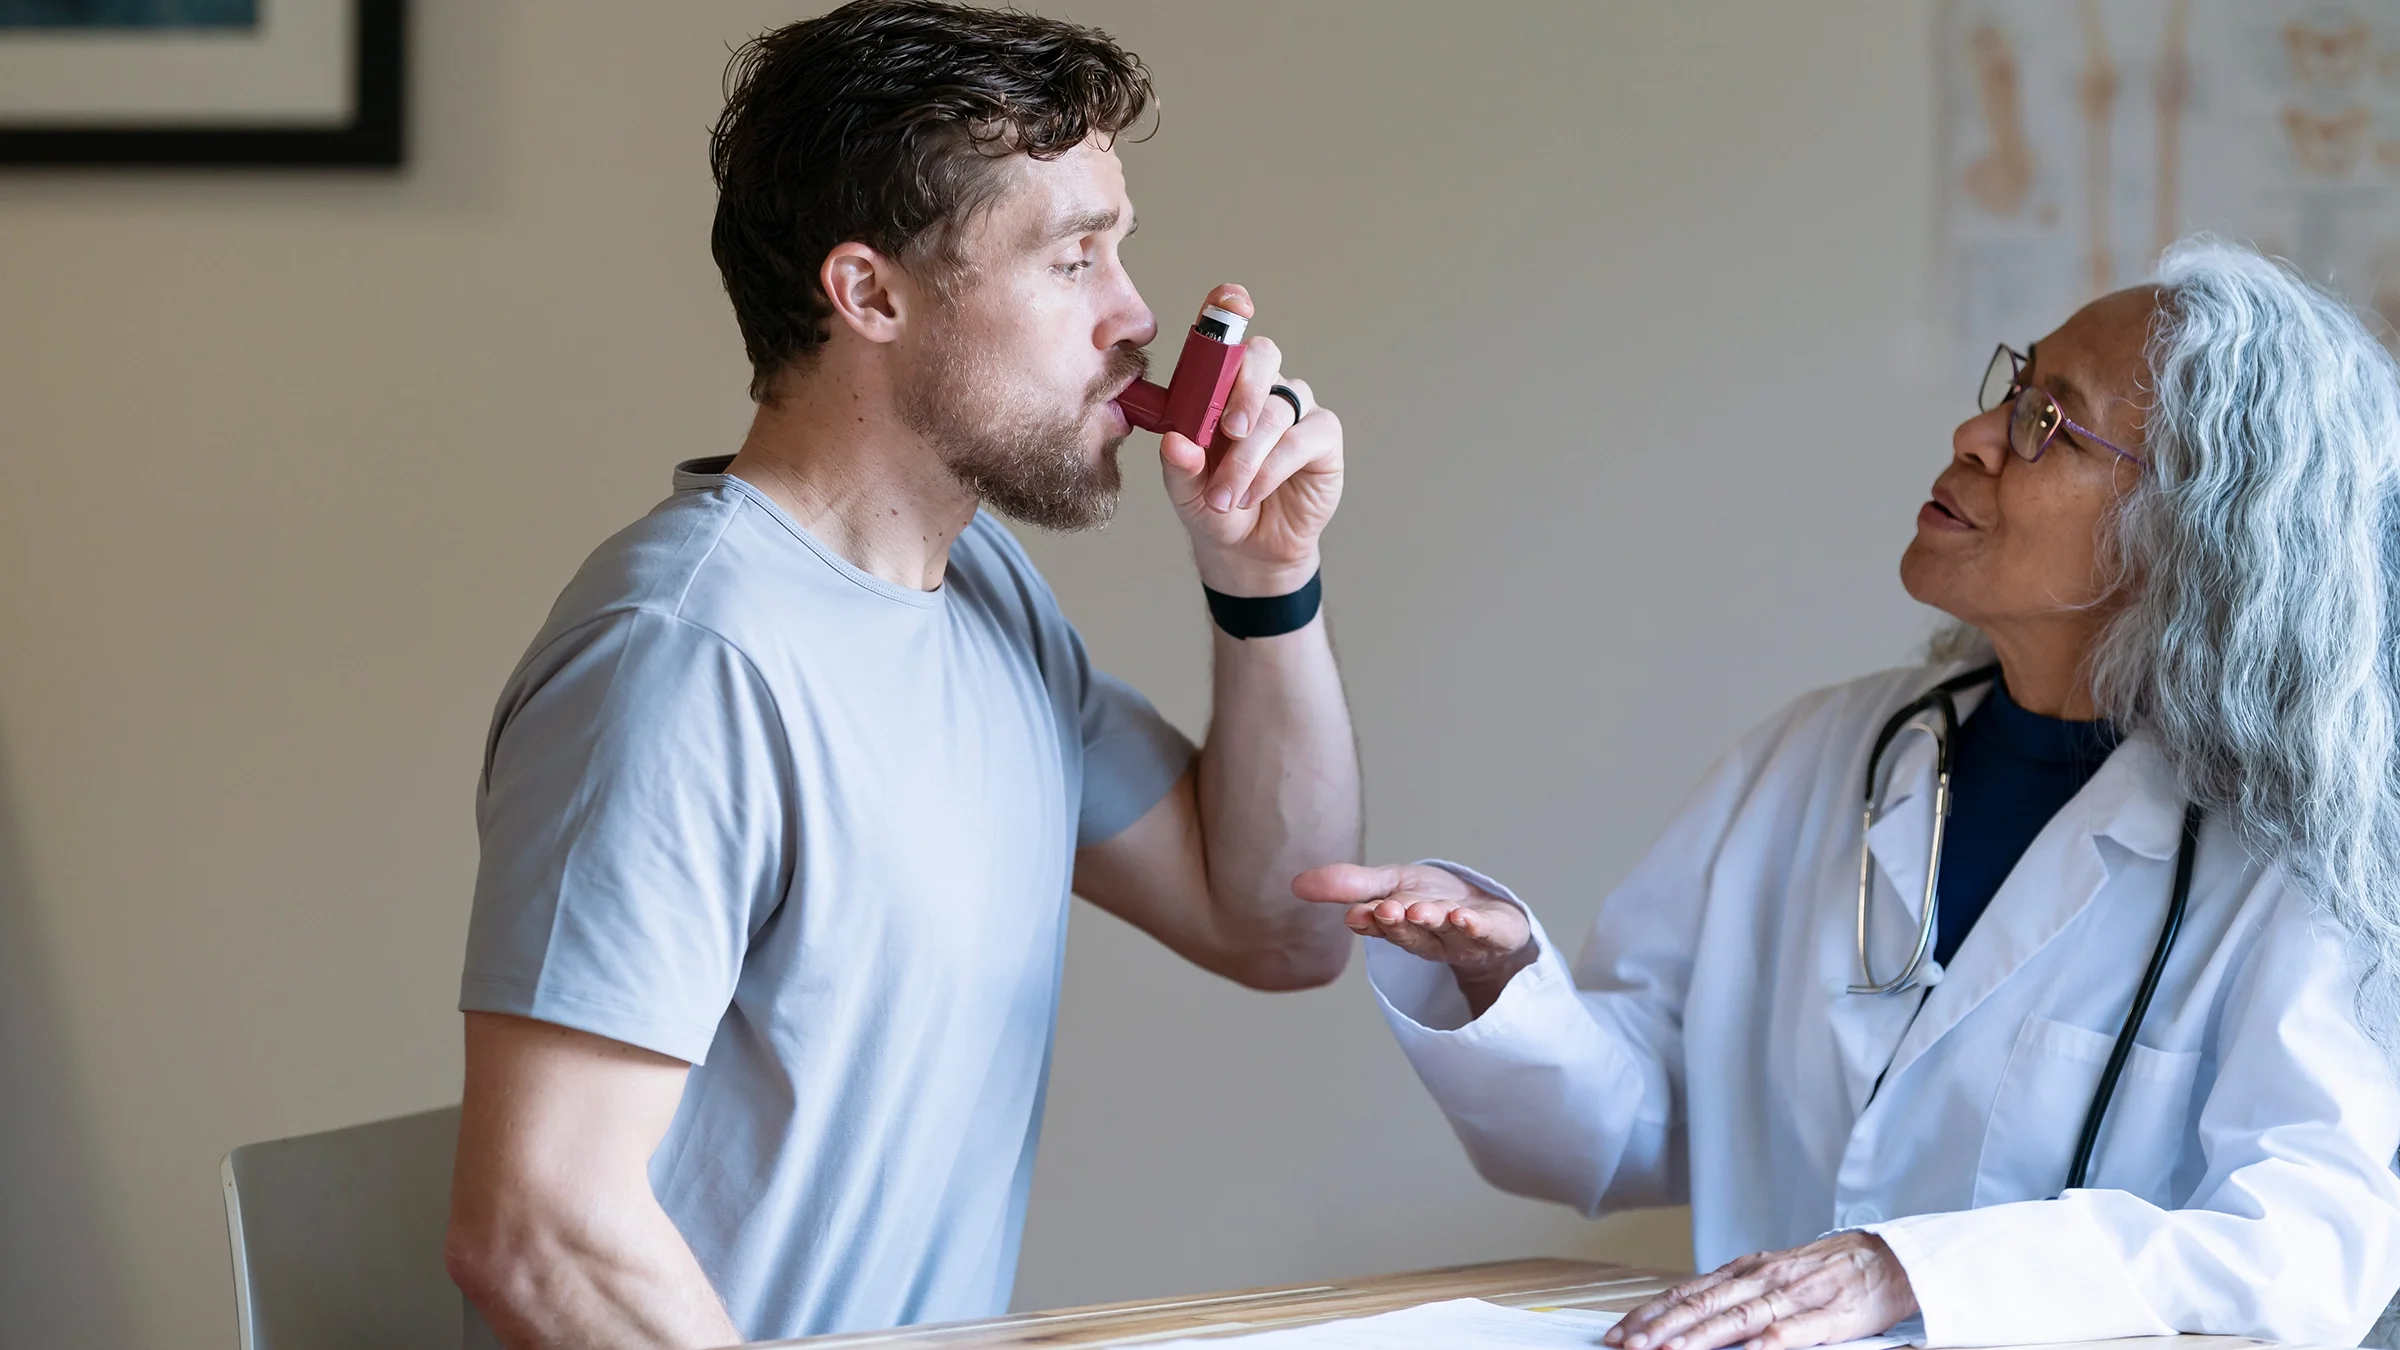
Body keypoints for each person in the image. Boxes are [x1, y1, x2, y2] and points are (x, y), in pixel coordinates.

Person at [442, 5, 1360, 1347]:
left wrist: (1265, 584)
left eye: (1121, 249)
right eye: (1072, 259)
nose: (1134, 316)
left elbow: (1280, 927)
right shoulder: (688, 658)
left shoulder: (987, 601)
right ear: (869, 293)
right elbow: (535, 1226)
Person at [1299, 240, 2400, 1348]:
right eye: (2014, 391)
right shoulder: (1826, 753)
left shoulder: (2300, 857)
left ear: (2197, 534)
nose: (1975, 436)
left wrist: (1913, 1270)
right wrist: (1504, 984)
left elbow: (2306, 1253)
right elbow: (1635, 1125)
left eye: (2048, 423)